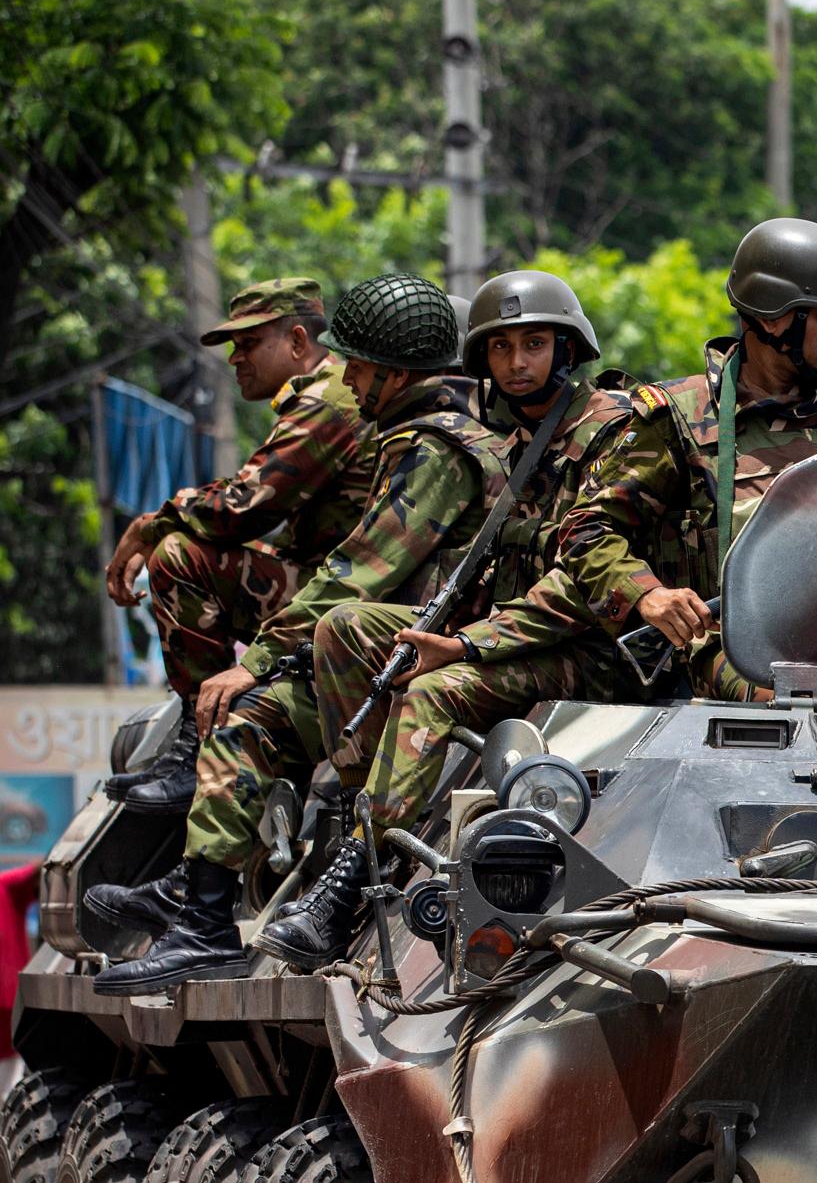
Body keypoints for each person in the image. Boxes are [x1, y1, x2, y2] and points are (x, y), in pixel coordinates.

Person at [94, 271, 504, 992]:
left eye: (358, 365)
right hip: (374, 660)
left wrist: (259, 658)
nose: (344, 375)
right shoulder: (400, 435)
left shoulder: (438, 447)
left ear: (395, 372)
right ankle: (204, 919)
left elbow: (358, 575)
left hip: (427, 663)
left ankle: (347, 844)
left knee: (289, 656)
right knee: (245, 716)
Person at [306, 268, 639, 873]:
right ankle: (367, 806)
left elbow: (580, 584)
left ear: (567, 349)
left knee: (434, 687)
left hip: (599, 653)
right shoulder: (519, 444)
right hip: (514, 641)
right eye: (502, 348)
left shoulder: (613, 432)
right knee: (347, 626)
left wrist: (463, 646)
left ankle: (361, 869)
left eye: (535, 345)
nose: (517, 363)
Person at [550, 218, 817, 684]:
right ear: (774, 318)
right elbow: (586, 529)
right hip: (731, 645)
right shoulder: (679, 415)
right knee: (795, 708)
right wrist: (648, 596)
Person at [99, 277, 378, 817]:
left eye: (249, 343)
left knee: (179, 555)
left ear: (298, 341)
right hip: (331, 586)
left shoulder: (329, 400)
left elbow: (243, 508)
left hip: (346, 596)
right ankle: (196, 737)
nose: (235, 358)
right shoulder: (322, 396)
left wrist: (150, 524)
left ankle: (197, 748)